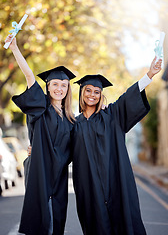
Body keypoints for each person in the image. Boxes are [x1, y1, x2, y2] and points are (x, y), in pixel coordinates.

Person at [71, 57, 162, 235]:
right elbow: (61, 149)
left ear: (101, 95)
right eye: (88, 90)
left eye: (97, 92)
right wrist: (34, 150)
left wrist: (150, 74)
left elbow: (129, 96)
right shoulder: (73, 123)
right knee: (94, 223)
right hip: (88, 185)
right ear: (81, 92)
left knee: (122, 221)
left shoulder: (112, 116)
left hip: (115, 180)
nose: (92, 94)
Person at [5, 35, 76, 235]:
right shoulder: (40, 107)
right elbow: (29, 76)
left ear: (68, 88)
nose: (59, 88)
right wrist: (15, 49)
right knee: (41, 218)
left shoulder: (71, 118)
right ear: (48, 86)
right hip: (40, 169)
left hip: (60, 174)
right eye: (55, 84)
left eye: (63, 85)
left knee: (58, 216)